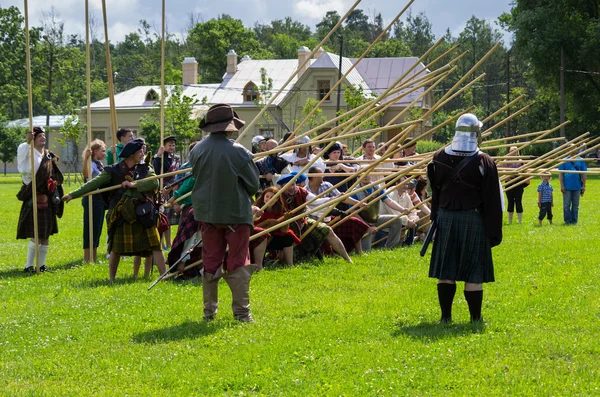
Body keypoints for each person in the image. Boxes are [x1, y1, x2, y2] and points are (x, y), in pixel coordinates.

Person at [427, 113, 502, 323]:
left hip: (446, 219)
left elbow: (435, 193)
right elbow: (492, 201)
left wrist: (435, 218)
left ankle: (446, 318)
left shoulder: (439, 156)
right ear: (476, 133)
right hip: (474, 220)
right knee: (473, 272)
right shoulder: (484, 161)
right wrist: (494, 232)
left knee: (446, 269)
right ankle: (475, 318)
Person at [189, 103, 260, 323]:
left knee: (210, 262)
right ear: (230, 127)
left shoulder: (196, 150)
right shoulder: (239, 152)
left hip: (207, 216)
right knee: (238, 262)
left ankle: (209, 313)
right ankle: (242, 314)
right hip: (235, 214)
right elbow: (253, 185)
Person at [63, 139, 167, 281]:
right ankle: (112, 279)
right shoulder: (113, 170)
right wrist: (72, 194)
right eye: (139, 152)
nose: (142, 153)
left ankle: (164, 276)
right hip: (121, 212)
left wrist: (133, 184)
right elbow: (93, 183)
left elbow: (154, 182)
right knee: (116, 248)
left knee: (155, 246)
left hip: (143, 212)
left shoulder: (146, 168)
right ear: (131, 154)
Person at [16, 127, 64, 273]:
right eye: (39, 136)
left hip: (47, 196)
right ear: (33, 139)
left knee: (46, 233)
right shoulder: (27, 151)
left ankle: (41, 265)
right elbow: (23, 169)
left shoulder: (48, 155)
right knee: (36, 233)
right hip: (33, 194)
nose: (43, 138)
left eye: (44, 135)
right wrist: (27, 141)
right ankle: (28, 265)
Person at [276, 172, 353, 263]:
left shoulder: (302, 192)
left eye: (293, 184)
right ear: (282, 187)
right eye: (288, 186)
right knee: (288, 253)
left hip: (302, 221)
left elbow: (316, 201)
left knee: (328, 231)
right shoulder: (277, 196)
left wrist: (334, 198)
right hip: (285, 225)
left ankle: (348, 259)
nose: (292, 187)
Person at [306, 167, 373, 254]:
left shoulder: (327, 185)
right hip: (316, 219)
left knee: (354, 222)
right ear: (314, 177)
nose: (323, 176)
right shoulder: (306, 191)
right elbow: (313, 207)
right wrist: (332, 199)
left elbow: (342, 198)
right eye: (321, 175)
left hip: (330, 217)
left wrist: (359, 204)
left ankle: (359, 252)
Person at [351, 173, 413, 251]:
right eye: (362, 174)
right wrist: (367, 227)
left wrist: (402, 209)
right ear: (358, 177)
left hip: (375, 218)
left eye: (367, 174)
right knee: (366, 251)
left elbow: (389, 201)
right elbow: (354, 213)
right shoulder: (355, 191)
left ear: (371, 175)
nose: (365, 176)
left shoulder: (377, 187)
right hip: (361, 223)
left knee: (397, 220)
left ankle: (390, 248)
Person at [254, 187, 300, 267]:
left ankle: (290, 264)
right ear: (263, 197)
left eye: (272, 197)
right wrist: (267, 223)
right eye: (267, 196)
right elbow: (253, 228)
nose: (269, 199)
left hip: (275, 236)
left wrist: (286, 220)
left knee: (288, 237)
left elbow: (283, 231)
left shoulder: (279, 209)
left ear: (276, 199)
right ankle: (260, 264)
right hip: (259, 239)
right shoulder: (257, 210)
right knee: (266, 236)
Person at [153, 135, 181, 248]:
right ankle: (162, 242)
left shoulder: (176, 158)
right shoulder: (160, 157)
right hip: (162, 190)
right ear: (164, 146)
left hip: (173, 189)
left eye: (173, 145)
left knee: (169, 219)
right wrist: (159, 156)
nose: (172, 147)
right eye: (169, 145)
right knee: (162, 217)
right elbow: (155, 170)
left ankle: (169, 243)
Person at [81, 139, 107, 262]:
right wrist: (86, 159)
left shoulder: (99, 164)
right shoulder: (91, 163)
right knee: (90, 228)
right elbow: (86, 176)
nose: (105, 153)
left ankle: (94, 257)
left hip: (100, 198)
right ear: (95, 151)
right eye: (103, 151)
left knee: (97, 228)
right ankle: (87, 258)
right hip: (92, 198)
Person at [558, 149, 587, 225]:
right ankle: (567, 221)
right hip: (567, 186)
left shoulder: (581, 160)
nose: (572, 149)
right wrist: (561, 185)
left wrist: (584, 185)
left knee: (575, 205)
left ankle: (574, 221)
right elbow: (560, 174)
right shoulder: (564, 160)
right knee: (566, 205)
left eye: (574, 148)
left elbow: (584, 174)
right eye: (570, 148)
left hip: (577, 186)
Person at [504, 146, 527, 224]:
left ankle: (519, 221)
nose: (513, 152)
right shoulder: (505, 161)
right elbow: (498, 168)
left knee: (518, 201)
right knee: (510, 202)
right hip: (509, 183)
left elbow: (525, 172)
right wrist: (507, 174)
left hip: (518, 183)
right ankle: (510, 221)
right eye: (512, 151)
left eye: (515, 151)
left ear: (518, 153)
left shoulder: (521, 161)